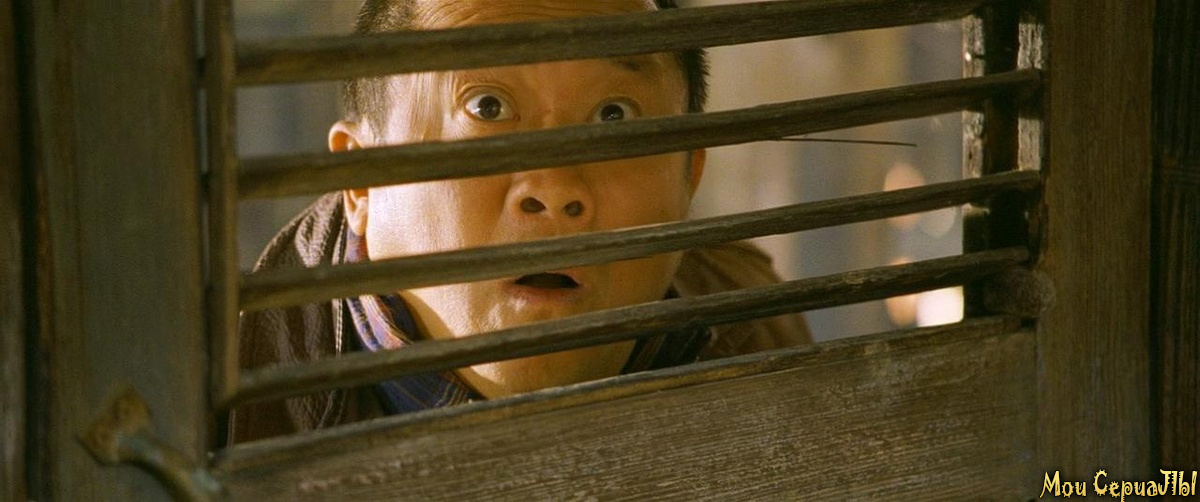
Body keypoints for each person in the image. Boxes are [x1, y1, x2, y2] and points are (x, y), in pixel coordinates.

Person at [227, 0, 811, 444]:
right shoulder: (213, 407)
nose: (554, 190)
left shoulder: (751, 321)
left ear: (688, 179)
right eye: (488, 107)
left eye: (614, 115)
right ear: (361, 182)